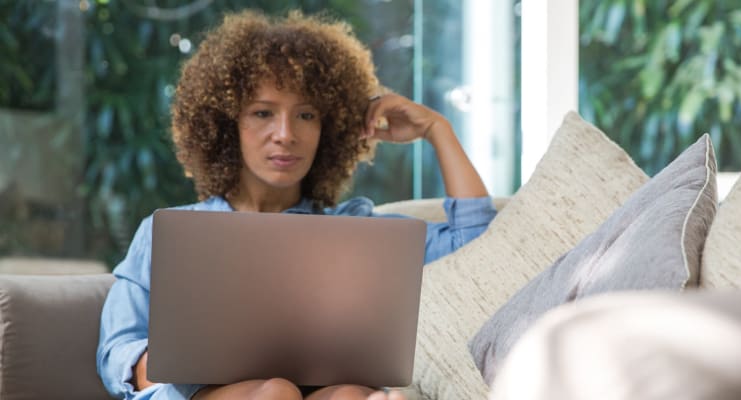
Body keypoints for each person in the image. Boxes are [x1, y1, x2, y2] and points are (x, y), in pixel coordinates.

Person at [96, 10, 496, 400]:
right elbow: (117, 354)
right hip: (202, 394)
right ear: (225, 125)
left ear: (329, 128)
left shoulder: (357, 232)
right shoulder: (167, 231)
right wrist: (188, 362)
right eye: (262, 113)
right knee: (276, 392)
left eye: (306, 114)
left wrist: (436, 130)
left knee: (353, 396)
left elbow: (475, 239)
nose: (285, 134)